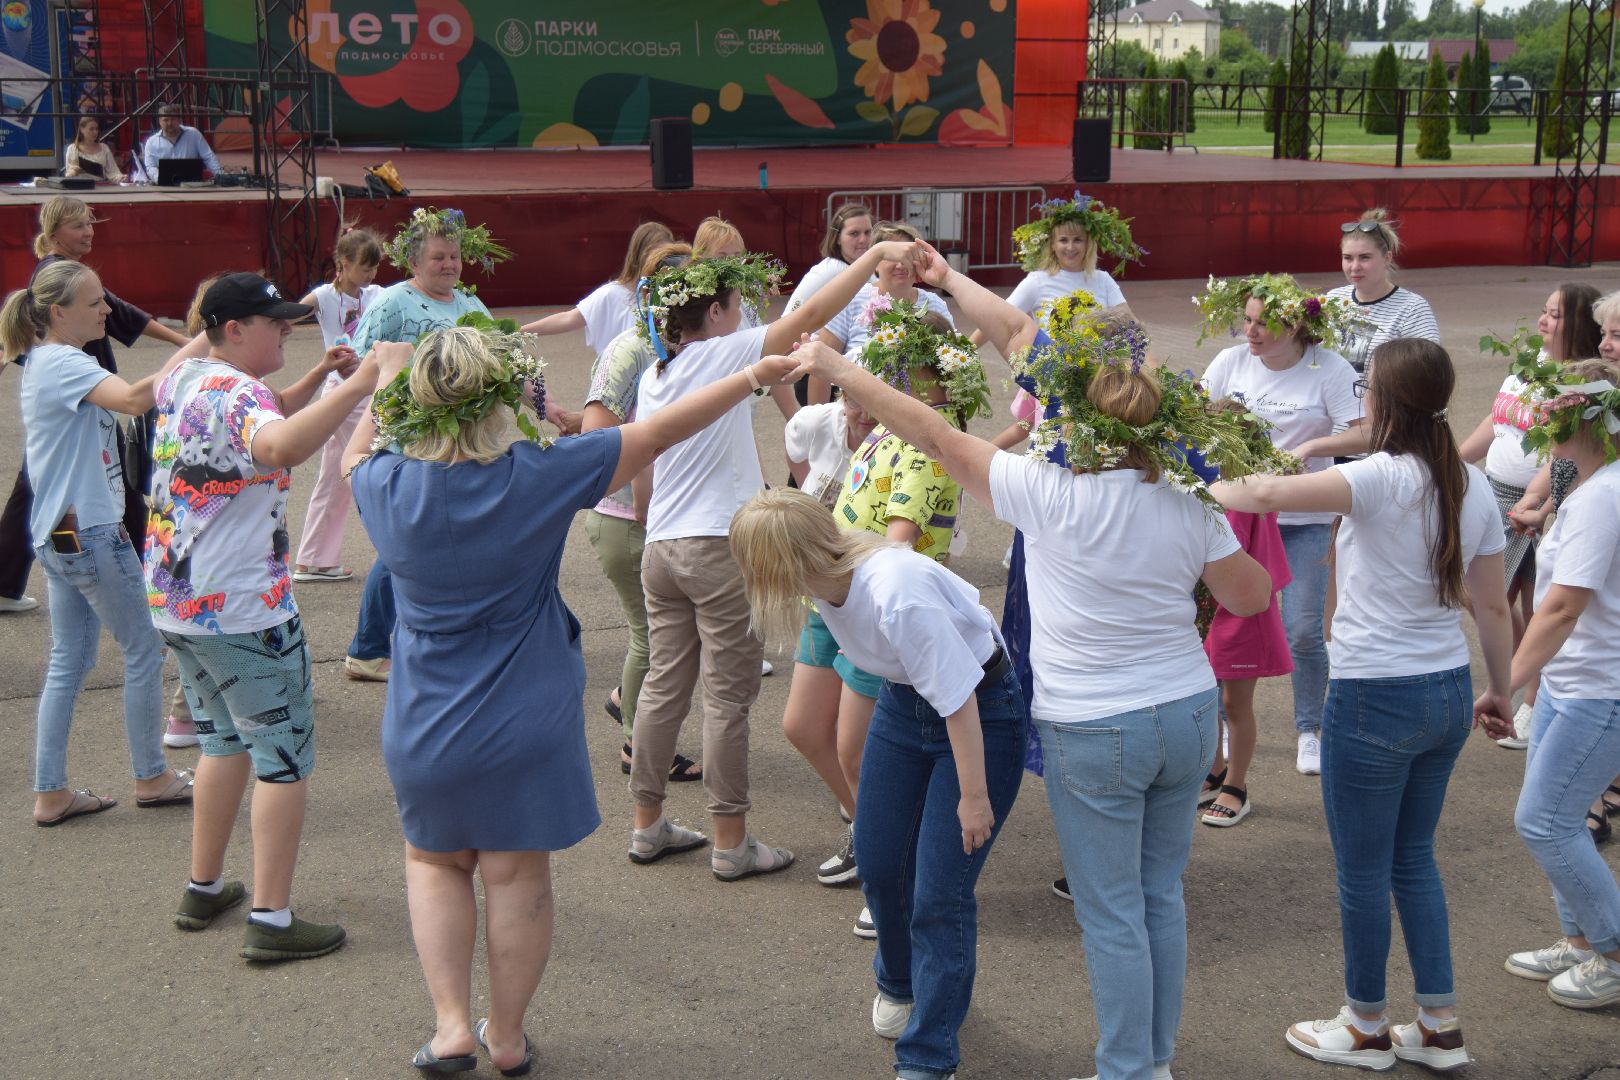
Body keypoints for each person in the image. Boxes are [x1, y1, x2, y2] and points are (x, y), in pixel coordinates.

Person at [790, 299, 1280, 1080]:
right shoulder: (1187, 497)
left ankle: (1131, 1069)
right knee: (1158, 895)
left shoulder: (1047, 492)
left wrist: (845, 372)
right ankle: (1150, 1059)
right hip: (1187, 715)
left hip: (1097, 724)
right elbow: (1252, 596)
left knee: (1114, 909)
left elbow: (936, 434)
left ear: (1080, 424)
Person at [342, 322, 805, 1075]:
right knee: (517, 874)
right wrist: (752, 376)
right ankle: (510, 1037)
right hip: (526, 707)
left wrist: (383, 378)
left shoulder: (386, 483)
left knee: (433, 862)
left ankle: (453, 1026)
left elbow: (357, 454)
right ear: (503, 396)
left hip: (424, 713)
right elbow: (658, 430)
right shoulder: (538, 472)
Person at [1211, 338, 1514, 1073]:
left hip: (1374, 697)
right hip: (1445, 690)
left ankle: (1365, 1024)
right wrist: (1502, 689)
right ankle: (1439, 1025)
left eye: (1367, 389)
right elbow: (1495, 606)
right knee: (1413, 861)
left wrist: (1190, 486)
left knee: (1362, 871)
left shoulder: (1381, 476)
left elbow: (1270, 493)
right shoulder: (1468, 482)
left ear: (1385, 402)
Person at [626, 238, 917, 882]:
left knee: (663, 686)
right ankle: (731, 840)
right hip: (712, 545)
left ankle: (647, 825)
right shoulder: (724, 352)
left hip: (662, 548)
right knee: (727, 699)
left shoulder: (657, 372)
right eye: (737, 304)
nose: (746, 313)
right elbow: (811, 310)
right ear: (717, 314)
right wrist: (870, 261)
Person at [730, 488, 1027, 1080]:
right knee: (878, 855)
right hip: (904, 703)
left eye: (755, 568)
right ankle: (898, 981)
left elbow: (960, 702)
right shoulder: (827, 579)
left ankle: (928, 1054)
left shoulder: (896, 594)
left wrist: (973, 798)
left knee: (940, 894)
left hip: (978, 713)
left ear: (786, 563)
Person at [147, 272, 373, 961]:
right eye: (273, 321)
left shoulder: (184, 379)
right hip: (244, 608)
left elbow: (266, 416)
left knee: (221, 740)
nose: (287, 328)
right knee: (282, 757)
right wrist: (362, 387)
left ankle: (204, 884)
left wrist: (317, 380)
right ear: (233, 329)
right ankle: (271, 920)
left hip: (178, 601)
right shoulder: (238, 391)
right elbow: (277, 444)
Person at [816, 299, 993, 935]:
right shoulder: (892, 430)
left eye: (893, 372)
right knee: (810, 728)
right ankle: (877, 841)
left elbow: (900, 540)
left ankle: (896, 862)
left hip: (879, 604)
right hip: (840, 586)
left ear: (924, 379)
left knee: (863, 751)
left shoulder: (920, 442)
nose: (877, 384)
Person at [3, 260, 197, 826]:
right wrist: (205, 339)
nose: (107, 311)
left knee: (70, 660)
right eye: (95, 304)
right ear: (58, 312)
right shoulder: (63, 363)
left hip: (59, 533)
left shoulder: (48, 361)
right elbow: (138, 399)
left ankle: (51, 792)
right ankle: (151, 775)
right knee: (143, 649)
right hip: (88, 532)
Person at [1195, 273, 1371, 775]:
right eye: (1247, 320)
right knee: (1216, 627)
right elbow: (1193, 416)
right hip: (1236, 519)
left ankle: (1309, 728)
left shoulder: (1329, 368)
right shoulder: (1231, 362)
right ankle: (1220, 727)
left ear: (1297, 327)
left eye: (1263, 324)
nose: (1250, 332)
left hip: (1303, 516)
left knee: (1301, 630)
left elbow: (1364, 433)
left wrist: (1314, 448)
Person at [342, 208, 515, 683]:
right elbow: (358, 367)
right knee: (401, 549)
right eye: (439, 257)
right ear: (414, 262)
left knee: (440, 543)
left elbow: (504, 365)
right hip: (404, 445)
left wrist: (550, 408)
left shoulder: (470, 307)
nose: (450, 265)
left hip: (459, 446)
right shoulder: (393, 304)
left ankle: (449, 634)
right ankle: (368, 649)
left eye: (455, 256)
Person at [0, 196, 192, 614]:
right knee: (118, 484)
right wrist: (190, 348)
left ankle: (8, 579)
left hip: (84, 401)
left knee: (40, 487)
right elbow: (129, 395)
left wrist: (183, 342)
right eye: (77, 226)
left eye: (90, 224)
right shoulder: (62, 281)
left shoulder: (67, 278)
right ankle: (147, 581)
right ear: (52, 234)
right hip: (86, 399)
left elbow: (121, 312)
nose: (88, 232)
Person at [1500, 356, 1620, 1012]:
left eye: (1554, 404)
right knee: (1556, 817)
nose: (1540, 413)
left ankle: (1616, 950)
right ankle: (1580, 943)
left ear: (1587, 415)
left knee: (1545, 822)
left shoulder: (1604, 496)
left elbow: (1564, 607)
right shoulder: (1582, 481)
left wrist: (1504, 683)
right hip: (1571, 680)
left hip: (1601, 688)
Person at [580, 240, 704, 780]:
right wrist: (646, 490)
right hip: (628, 518)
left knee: (660, 637)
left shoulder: (682, 347)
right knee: (652, 638)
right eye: (685, 288)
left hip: (663, 516)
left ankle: (627, 707)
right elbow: (595, 436)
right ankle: (638, 745)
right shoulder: (631, 349)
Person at [777, 387, 878, 832]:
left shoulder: (900, 444)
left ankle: (878, 836)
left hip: (869, 607)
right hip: (822, 599)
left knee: (856, 745)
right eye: (853, 400)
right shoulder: (822, 421)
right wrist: (803, 490)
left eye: (873, 399)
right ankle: (865, 819)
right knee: (802, 726)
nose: (862, 412)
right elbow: (792, 443)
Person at [290, 225, 386, 584]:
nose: (370, 275)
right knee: (361, 467)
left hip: (365, 386)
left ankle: (314, 558)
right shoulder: (323, 297)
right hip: (344, 387)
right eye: (364, 267)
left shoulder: (377, 293)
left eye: (374, 268)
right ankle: (392, 549)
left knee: (337, 474)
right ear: (342, 263)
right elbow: (287, 313)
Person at [994, 189, 1139, 338]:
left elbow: (1132, 326)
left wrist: (1150, 359)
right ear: (1053, 245)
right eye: (1063, 240)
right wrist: (969, 354)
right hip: (1052, 360)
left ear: (1088, 244)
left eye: (1077, 240)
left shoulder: (1103, 280)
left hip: (1099, 360)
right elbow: (998, 319)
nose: (1070, 247)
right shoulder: (1037, 281)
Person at [520, 221, 674, 356]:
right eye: (654, 255)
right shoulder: (612, 294)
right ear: (638, 256)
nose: (659, 263)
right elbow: (569, 318)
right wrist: (519, 331)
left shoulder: (671, 295)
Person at [813, 221, 952, 358]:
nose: (901, 265)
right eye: (893, 257)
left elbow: (952, 360)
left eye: (909, 257)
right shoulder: (851, 300)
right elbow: (822, 364)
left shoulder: (935, 305)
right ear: (875, 264)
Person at [1324, 210, 1439, 374]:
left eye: (1365, 257)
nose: (1355, 267)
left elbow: (1427, 371)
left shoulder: (1412, 309)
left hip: (1384, 399)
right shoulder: (1333, 299)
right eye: (1348, 258)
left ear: (1387, 258)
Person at [784, 201, 874, 406]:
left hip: (835, 370)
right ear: (838, 238)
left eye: (868, 232)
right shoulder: (835, 270)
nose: (863, 240)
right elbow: (788, 316)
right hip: (818, 376)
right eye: (854, 233)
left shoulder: (860, 269)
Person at [142, 103, 222, 179]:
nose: (169, 123)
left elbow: (208, 157)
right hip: (165, 187)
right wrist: (160, 179)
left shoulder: (194, 134)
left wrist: (220, 175)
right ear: (159, 121)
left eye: (173, 119)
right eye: (166, 120)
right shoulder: (151, 142)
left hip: (192, 185)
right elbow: (150, 167)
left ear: (179, 120)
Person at [64, 115, 125, 182]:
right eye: (91, 129)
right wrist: (74, 171)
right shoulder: (73, 149)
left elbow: (113, 172)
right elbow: (69, 174)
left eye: (96, 129)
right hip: (80, 187)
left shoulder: (104, 148)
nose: (95, 132)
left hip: (101, 187)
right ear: (82, 129)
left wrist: (122, 178)